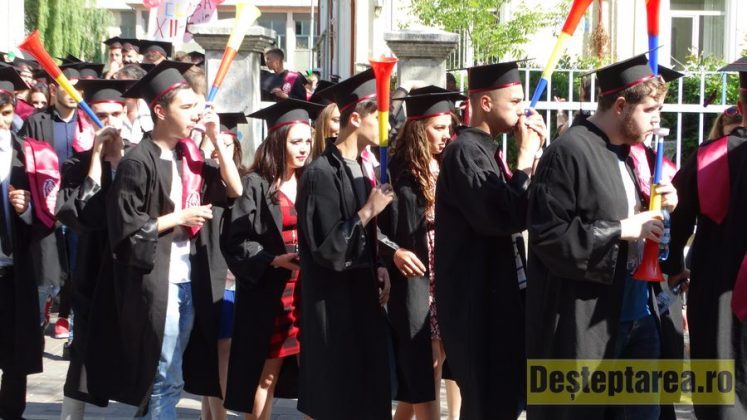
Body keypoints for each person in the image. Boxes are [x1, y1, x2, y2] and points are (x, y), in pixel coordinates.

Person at [526, 53, 682, 420]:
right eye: (650, 110)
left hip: (638, 314)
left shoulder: (626, 154)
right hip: (587, 322)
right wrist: (623, 229)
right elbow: (549, 237)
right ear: (621, 106)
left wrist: (664, 209)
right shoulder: (568, 152)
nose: (656, 120)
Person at [107, 61, 242, 418]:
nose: (195, 114)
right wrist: (179, 217)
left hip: (189, 278)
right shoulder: (137, 162)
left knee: (169, 374)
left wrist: (215, 138)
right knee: (166, 375)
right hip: (156, 281)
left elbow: (235, 189)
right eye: (187, 107)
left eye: (196, 106)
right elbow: (126, 232)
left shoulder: (190, 156)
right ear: (160, 111)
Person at [434, 61, 546, 419]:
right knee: (487, 405)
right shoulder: (464, 152)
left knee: (504, 401)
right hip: (477, 307)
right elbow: (499, 217)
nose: (522, 110)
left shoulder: (488, 150)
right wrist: (524, 158)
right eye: (514, 101)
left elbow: (522, 208)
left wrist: (534, 158)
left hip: (500, 300)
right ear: (485, 102)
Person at [296, 69, 395, 419]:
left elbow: (361, 240)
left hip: (362, 302)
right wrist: (367, 211)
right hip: (333, 308)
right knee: (338, 399)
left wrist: (379, 265)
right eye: (381, 117)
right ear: (355, 118)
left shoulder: (362, 169)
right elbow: (328, 249)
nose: (388, 126)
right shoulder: (320, 173)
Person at [223, 99, 324, 419]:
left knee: (316, 374)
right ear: (278, 142)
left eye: (307, 141)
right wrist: (271, 259)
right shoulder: (255, 184)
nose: (304, 148)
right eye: (296, 142)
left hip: (308, 289)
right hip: (272, 290)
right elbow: (235, 240)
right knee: (267, 374)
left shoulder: (313, 180)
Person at [662, 57, 747, 419]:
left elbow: (675, 223)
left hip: (716, 297)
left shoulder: (707, 158)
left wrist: (674, 267)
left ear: (740, 105)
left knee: (719, 391)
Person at [379, 86, 464, 420]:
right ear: (418, 129)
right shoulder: (398, 170)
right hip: (415, 275)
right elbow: (378, 227)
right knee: (424, 362)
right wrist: (394, 251)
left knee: (438, 359)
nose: (445, 135)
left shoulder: (448, 163)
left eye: (448, 128)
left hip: (445, 273)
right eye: (438, 128)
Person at [55, 79, 135, 419]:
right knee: (84, 349)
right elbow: (79, 216)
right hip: (92, 265)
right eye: (101, 115)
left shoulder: (140, 158)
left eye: (115, 114)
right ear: (88, 119)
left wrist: (118, 162)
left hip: (132, 265)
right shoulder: (76, 164)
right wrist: (98, 160)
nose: (109, 122)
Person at [19, 66, 92, 341]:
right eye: (67, 86)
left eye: (78, 88)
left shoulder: (87, 123)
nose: (74, 93)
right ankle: (39, 317)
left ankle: (68, 319)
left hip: (77, 206)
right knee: (46, 265)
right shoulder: (36, 122)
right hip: (44, 205)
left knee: (78, 266)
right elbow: (25, 164)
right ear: (53, 89)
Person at [199, 113, 249, 420]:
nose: (220, 151)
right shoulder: (199, 176)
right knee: (220, 347)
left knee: (223, 346)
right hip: (208, 271)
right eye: (215, 145)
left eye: (227, 145)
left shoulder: (241, 180)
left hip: (232, 274)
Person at [0, 65, 42, 420]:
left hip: (15, 267)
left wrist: (27, 209)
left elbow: (47, 215)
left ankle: (13, 412)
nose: (2, 122)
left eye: (6, 113)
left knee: (17, 348)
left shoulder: (28, 155)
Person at [113, 64, 151, 144]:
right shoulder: (111, 113)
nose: (125, 91)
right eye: (121, 85)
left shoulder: (151, 113)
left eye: (129, 86)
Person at [309, 79, 339, 159]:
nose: (341, 128)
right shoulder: (305, 154)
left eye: (343, 121)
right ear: (321, 121)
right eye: (336, 120)